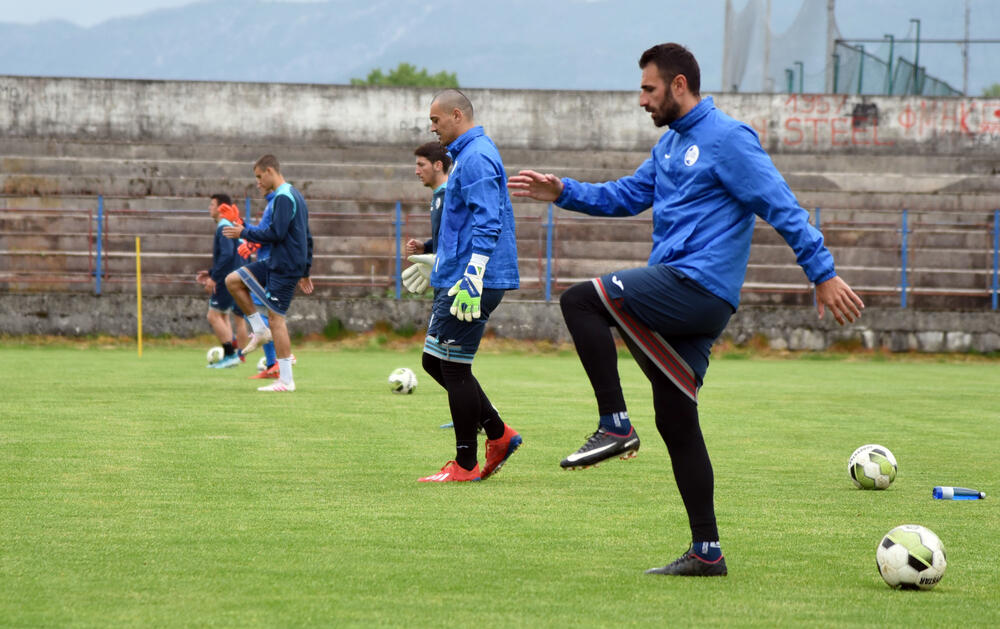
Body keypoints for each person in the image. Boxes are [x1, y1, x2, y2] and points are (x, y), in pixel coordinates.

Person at [508, 43, 864, 576]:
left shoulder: (728, 138)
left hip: (697, 288)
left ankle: (614, 423)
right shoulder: (669, 147)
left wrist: (823, 272)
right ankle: (707, 551)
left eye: (648, 89)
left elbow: (781, 205)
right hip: (683, 294)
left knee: (582, 299)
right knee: (677, 420)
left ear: (678, 86)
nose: (641, 101)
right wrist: (563, 191)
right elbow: (626, 196)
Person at [415, 89, 522, 483]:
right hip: (461, 275)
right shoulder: (467, 156)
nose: (432, 127)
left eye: (436, 120)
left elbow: (488, 220)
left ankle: (465, 464)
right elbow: (460, 225)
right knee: (434, 361)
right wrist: (438, 262)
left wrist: (473, 274)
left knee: (453, 367)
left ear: (456, 115)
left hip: (474, 279)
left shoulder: (476, 157)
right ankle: (498, 433)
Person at [222, 155, 313, 392]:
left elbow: (276, 233)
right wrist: (306, 270)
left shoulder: (284, 197)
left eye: (259, 177)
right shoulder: (293, 195)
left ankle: (285, 381)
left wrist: (245, 232)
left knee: (277, 319)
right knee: (233, 280)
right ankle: (258, 329)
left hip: (285, 266)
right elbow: (307, 236)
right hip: (278, 262)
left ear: (270, 171)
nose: (258, 183)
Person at [196, 193, 249, 369]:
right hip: (236, 275)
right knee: (224, 315)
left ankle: (230, 354)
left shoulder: (224, 227)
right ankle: (232, 355)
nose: (209, 208)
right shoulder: (232, 225)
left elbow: (227, 254)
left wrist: (214, 277)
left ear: (220, 208)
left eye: (212, 204)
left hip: (228, 279)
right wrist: (211, 272)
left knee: (213, 315)